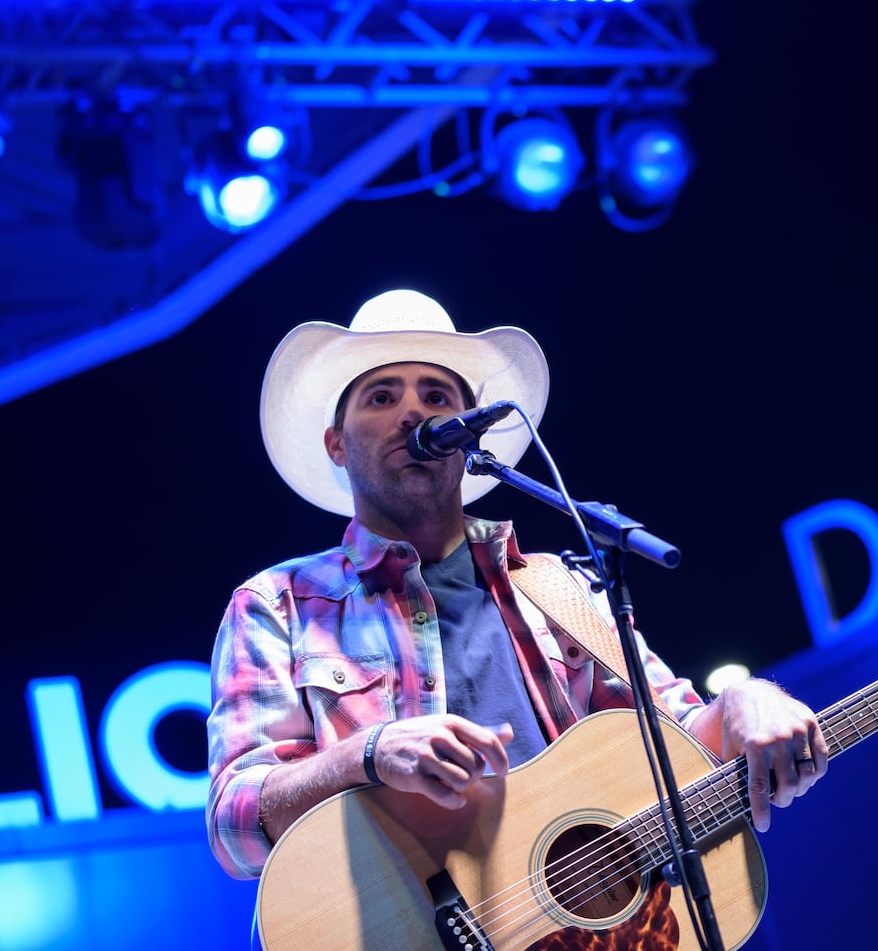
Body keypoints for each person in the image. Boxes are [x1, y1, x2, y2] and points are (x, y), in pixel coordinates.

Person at [206, 288, 828, 886]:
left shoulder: (558, 590)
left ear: (471, 434)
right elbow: (234, 826)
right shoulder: (278, 606)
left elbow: (684, 743)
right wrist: (365, 756)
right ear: (336, 444)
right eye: (380, 396)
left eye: (437, 395)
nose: (414, 411)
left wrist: (749, 702)